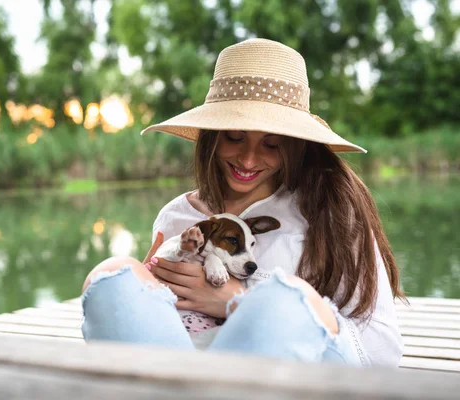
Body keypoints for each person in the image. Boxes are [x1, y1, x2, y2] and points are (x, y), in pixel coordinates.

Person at [80, 38, 404, 367]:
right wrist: (152, 286)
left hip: (298, 375)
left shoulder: (331, 211)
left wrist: (238, 302)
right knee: (112, 276)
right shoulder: (177, 217)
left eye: (272, 144)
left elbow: (383, 350)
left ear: (295, 146)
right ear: (211, 135)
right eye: (234, 137)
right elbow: (159, 327)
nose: (248, 160)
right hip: (187, 370)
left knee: (287, 297)